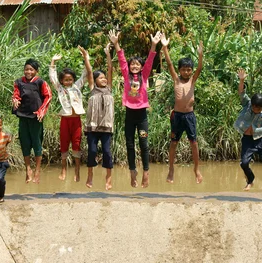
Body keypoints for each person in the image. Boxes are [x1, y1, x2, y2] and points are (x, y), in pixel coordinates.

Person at [109, 29, 162, 188]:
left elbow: (150, 62)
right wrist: (116, 43)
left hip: (142, 117)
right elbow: (122, 60)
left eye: (137, 64)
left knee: (144, 143)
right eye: (133, 64)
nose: (134, 66)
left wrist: (153, 46)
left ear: (140, 67)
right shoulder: (126, 76)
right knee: (130, 144)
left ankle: (146, 172)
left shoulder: (145, 75)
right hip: (129, 116)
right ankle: (133, 172)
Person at [160, 34, 204, 184]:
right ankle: (171, 169)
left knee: (194, 143)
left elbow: (200, 67)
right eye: (184, 69)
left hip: (189, 116)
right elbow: (170, 64)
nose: (186, 72)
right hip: (177, 116)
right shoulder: (176, 80)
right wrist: (165, 47)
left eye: (188, 69)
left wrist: (200, 54)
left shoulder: (192, 80)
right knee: (173, 143)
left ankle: (196, 169)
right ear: (180, 70)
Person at [49, 49, 89, 182]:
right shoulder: (60, 89)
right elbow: (53, 79)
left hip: (76, 119)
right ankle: (64, 169)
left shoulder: (77, 87)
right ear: (62, 81)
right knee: (64, 144)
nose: (68, 82)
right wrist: (53, 62)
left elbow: (85, 74)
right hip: (65, 120)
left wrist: (85, 58)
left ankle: (77, 170)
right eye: (65, 80)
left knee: (77, 144)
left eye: (70, 79)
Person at [12, 58, 52, 184]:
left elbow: (48, 96)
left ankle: (37, 171)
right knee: (25, 143)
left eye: (31, 69)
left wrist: (42, 111)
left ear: (36, 71)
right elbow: (16, 94)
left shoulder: (40, 82)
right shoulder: (19, 82)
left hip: (36, 117)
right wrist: (15, 100)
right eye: (26, 69)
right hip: (23, 116)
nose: (28, 72)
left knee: (37, 143)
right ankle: (28, 169)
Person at [80, 44, 114, 190]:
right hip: (93, 127)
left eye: (104, 77)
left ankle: (108, 178)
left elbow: (111, 69)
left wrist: (108, 54)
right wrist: (87, 58)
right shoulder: (92, 89)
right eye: (101, 78)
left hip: (106, 127)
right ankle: (90, 175)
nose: (104, 79)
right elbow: (89, 71)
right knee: (92, 151)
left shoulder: (109, 88)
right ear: (95, 80)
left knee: (107, 152)